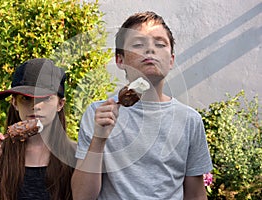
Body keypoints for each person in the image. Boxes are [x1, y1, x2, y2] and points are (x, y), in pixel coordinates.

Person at [71, 11, 213, 199]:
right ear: (119, 60)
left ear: (171, 61)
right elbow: (82, 196)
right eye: (138, 44)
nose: (150, 50)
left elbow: (195, 194)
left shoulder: (189, 120)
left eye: (160, 44)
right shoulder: (98, 114)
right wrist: (99, 139)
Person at [0, 58, 76, 200]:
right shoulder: (0, 152)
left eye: (45, 98)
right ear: (15, 103)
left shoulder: (75, 154)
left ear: (60, 104)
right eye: (26, 99)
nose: (35, 106)